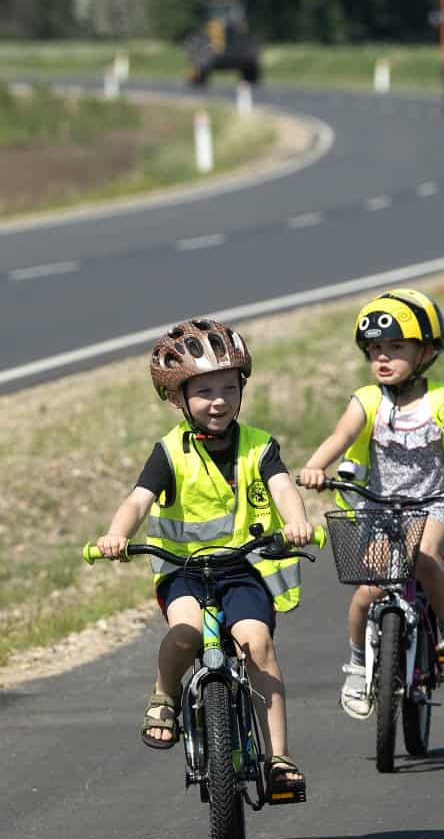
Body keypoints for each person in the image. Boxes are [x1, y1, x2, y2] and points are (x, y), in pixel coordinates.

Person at [94, 319, 314, 796]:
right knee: (185, 633)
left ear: (242, 389)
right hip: (184, 572)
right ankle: (163, 696)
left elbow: (283, 488)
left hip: (243, 569)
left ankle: (278, 756)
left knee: (256, 643)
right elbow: (137, 501)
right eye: (204, 391)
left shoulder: (260, 445)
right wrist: (116, 534)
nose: (218, 401)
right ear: (176, 398)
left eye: (228, 388)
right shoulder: (169, 452)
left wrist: (297, 521)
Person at [296, 288, 444, 717]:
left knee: (423, 557)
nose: (383, 358)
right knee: (367, 590)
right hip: (379, 509)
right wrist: (315, 467)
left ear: (426, 351)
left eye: (395, 347)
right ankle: (355, 664)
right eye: (375, 350)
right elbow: (340, 437)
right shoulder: (367, 400)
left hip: (434, 506)